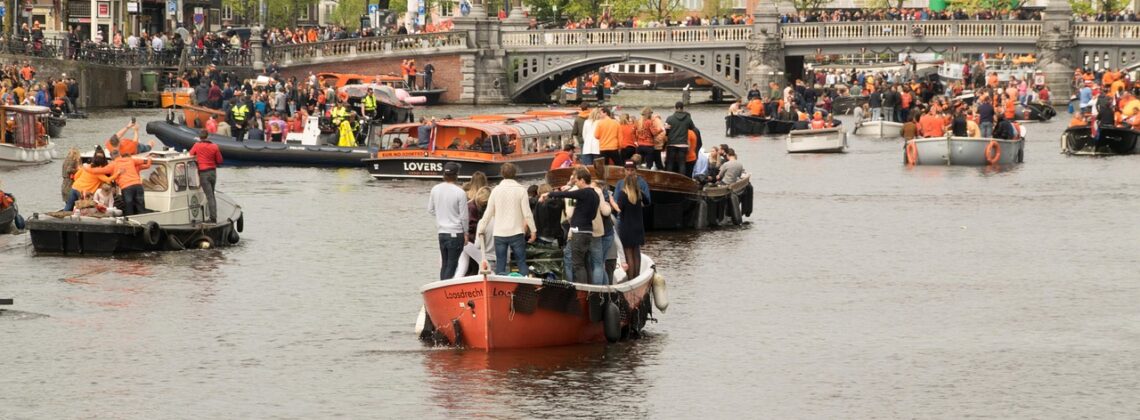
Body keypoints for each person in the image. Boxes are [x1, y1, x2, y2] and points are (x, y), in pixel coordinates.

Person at [540, 166, 599, 284]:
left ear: (582, 180)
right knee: (585, 262)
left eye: (577, 181)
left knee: (577, 264)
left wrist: (548, 194)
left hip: (579, 231)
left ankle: (581, 289)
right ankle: (589, 288)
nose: (576, 184)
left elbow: (566, 195)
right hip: (588, 231)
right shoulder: (595, 195)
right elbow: (592, 216)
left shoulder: (584, 192)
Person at [476, 163, 536, 276]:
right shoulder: (521, 190)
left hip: (499, 233)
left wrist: (481, 228)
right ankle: (525, 286)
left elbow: (488, 213)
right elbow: (527, 213)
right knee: (521, 263)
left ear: (502, 174)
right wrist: (533, 230)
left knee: (501, 264)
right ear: (515, 174)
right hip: (517, 232)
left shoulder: (495, 191)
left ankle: (499, 289)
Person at [428, 162, 469, 280]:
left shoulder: (435, 189)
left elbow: (430, 210)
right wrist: (465, 233)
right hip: (456, 233)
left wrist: (441, 215)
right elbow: (464, 216)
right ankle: (445, 289)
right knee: (452, 264)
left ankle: (442, 286)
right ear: (456, 175)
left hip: (442, 233)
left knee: (445, 264)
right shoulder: (460, 192)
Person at [88, 147, 152, 216]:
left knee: (128, 208)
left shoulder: (113, 164)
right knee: (141, 207)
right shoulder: (130, 160)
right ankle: (143, 222)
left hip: (127, 187)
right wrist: (149, 158)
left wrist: (87, 169)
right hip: (138, 185)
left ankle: (129, 224)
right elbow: (144, 162)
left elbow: (101, 170)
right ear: (119, 154)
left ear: (112, 157)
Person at [612, 162, 646, 279]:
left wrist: (611, 203)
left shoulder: (623, 194)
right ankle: (637, 277)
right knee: (636, 252)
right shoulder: (638, 193)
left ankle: (631, 279)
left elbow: (617, 210)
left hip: (627, 227)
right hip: (638, 227)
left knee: (628, 253)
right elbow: (647, 201)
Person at [63, 146, 117, 212]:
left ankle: (61, 219)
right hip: (83, 191)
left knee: (68, 207)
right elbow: (108, 180)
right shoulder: (98, 172)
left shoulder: (86, 167)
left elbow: (76, 176)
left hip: (75, 187)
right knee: (83, 209)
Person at [189, 130, 223, 222]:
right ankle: (213, 214)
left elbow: (190, 154)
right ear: (208, 137)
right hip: (213, 172)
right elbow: (220, 160)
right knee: (212, 194)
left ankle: (213, 218)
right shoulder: (215, 146)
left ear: (200, 137)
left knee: (209, 196)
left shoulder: (197, 145)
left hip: (203, 173)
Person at [665, 101, 696, 174]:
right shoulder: (688, 118)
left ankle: (669, 179)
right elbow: (692, 128)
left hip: (671, 144)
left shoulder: (669, 118)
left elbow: (666, 131)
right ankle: (682, 180)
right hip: (683, 144)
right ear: (683, 108)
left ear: (675, 108)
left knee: (670, 163)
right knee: (682, 164)